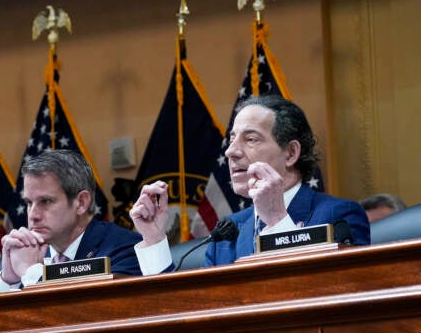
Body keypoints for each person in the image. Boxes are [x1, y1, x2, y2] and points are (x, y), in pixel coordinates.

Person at [131, 95, 370, 273]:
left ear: (290, 153)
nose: (231, 151)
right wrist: (153, 240)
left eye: (251, 139)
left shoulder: (339, 216)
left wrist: (277, 220)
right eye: (232, 139)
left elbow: (336, 294)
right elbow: (191, 312)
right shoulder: (228, 231)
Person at [0, 149, 142, 291]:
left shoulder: (124, 250)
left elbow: (85, 314)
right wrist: (8, 279)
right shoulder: (28, 254)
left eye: (45, 201)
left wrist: (32, 274)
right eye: (29, 203)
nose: (33, 215)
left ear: (81, 203)